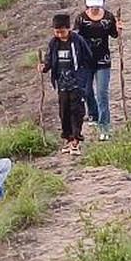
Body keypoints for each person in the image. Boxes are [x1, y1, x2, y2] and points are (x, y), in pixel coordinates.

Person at [40, 12, 94, 155]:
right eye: (56, 32)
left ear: (68, 29)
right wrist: (44, 67)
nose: (59, 34)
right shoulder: (53, 43)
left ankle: (76, 139)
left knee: (76, 111)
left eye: (62, 31)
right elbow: (49, 60)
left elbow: (88, 57)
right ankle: (67, 138)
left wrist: (83, 76)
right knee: (64, 111)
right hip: (61, 83)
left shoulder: (78, 40)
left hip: (77, 83)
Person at [74, 0, 120, 140]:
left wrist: (118, 28)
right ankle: (93, 114)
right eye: (92, 6)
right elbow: (76, 37)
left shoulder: (108, 17)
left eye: (97, 6)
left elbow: (114, 34)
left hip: (103, 60)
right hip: (85, 61)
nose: (94, 8)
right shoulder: (81, 19)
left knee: (102, 94)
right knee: (87, 91)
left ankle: (104, 126)